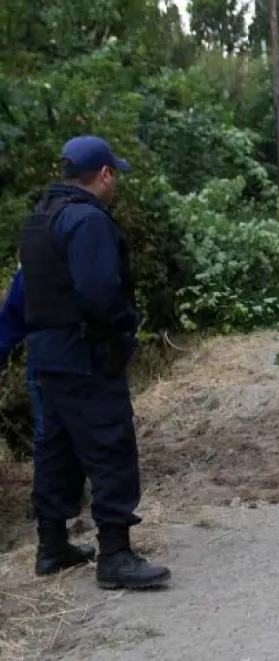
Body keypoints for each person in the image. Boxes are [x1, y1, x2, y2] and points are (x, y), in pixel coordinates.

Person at [19, 135, 170, 588]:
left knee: (56, 450)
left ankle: (52, 546)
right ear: (104, 174)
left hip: (46, 356)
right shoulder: (88, 221)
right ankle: (116, 555)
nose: (115, 182)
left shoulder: (40, 220)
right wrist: (127, 323)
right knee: (110, 448)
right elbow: (100, 293)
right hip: (86, 357)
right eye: (114, 174)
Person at [0, 267, 44, 447]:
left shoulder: (35, 256)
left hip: (43, 364)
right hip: (91, 365)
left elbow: (11, 321)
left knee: (48, 442)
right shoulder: (94, 250)